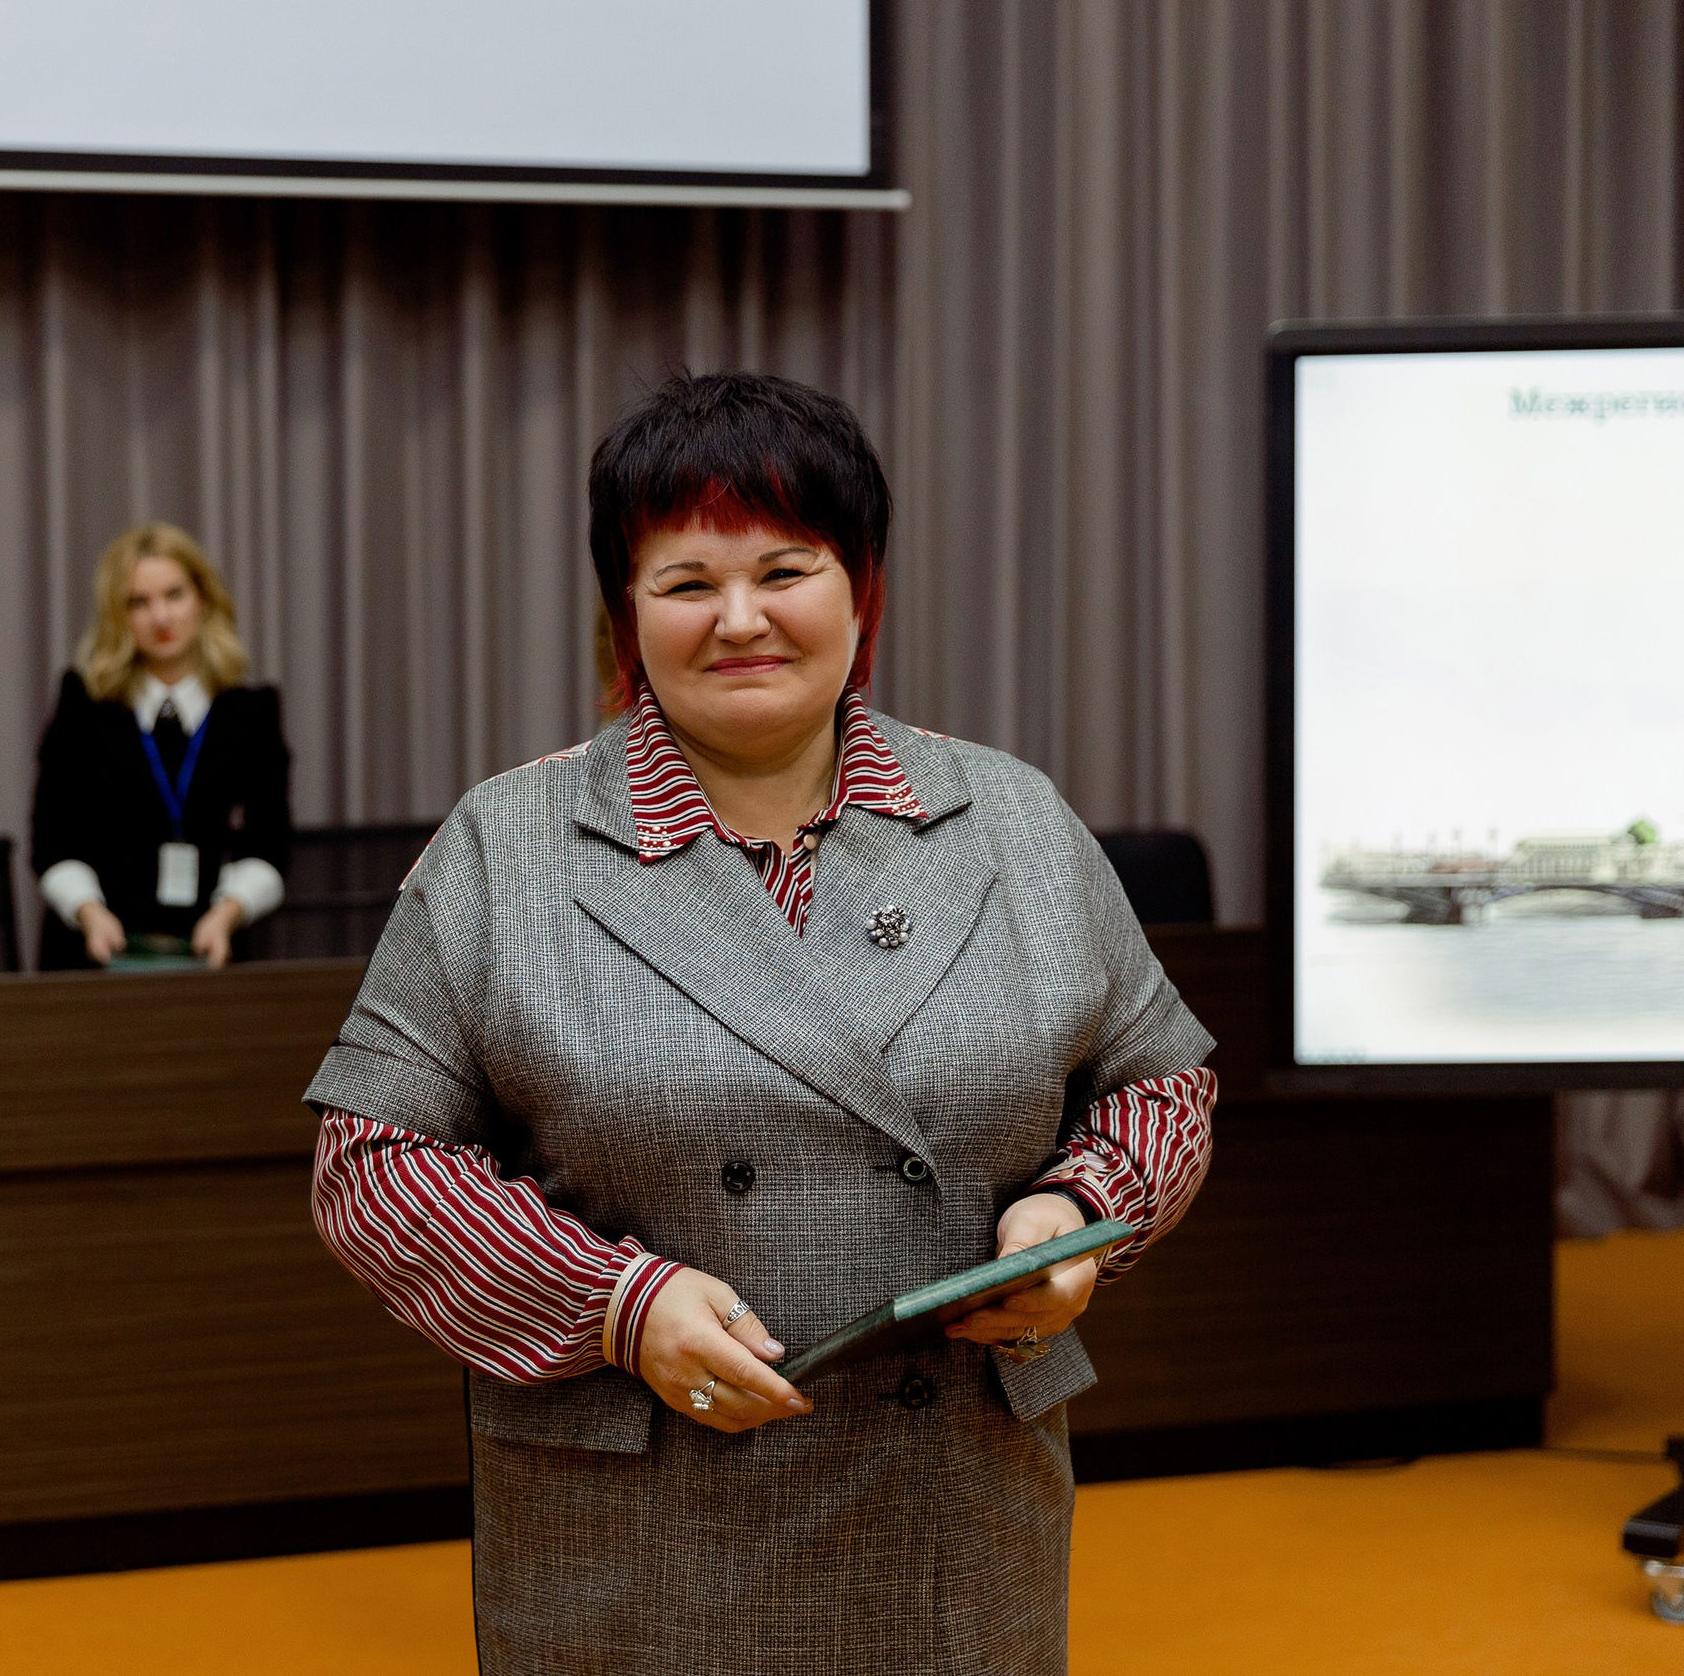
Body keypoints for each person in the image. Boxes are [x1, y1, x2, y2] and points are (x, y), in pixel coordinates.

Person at [305, 372, 1218, 1675]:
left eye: (785, 570)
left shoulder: (1012, 817)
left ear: (862, 588)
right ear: (627, 609)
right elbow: (374, 1164)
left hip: (952, 1521)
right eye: (686, 581)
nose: (740, 619)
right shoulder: (504, 846)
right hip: (641, 1536)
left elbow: (1163, 1082)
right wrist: (618, 1303)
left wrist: (1079, 1217)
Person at [30, 523, 291, 969]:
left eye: (174, 595)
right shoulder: (84, 706)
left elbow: (271, 843)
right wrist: (89, 913)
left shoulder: (250, 711)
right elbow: (50, 841)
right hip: (95, 951)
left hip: (212, 950)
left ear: (203, 600)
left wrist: (228, 914)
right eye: (140, 602)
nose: (161, 618)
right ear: (118, 616)